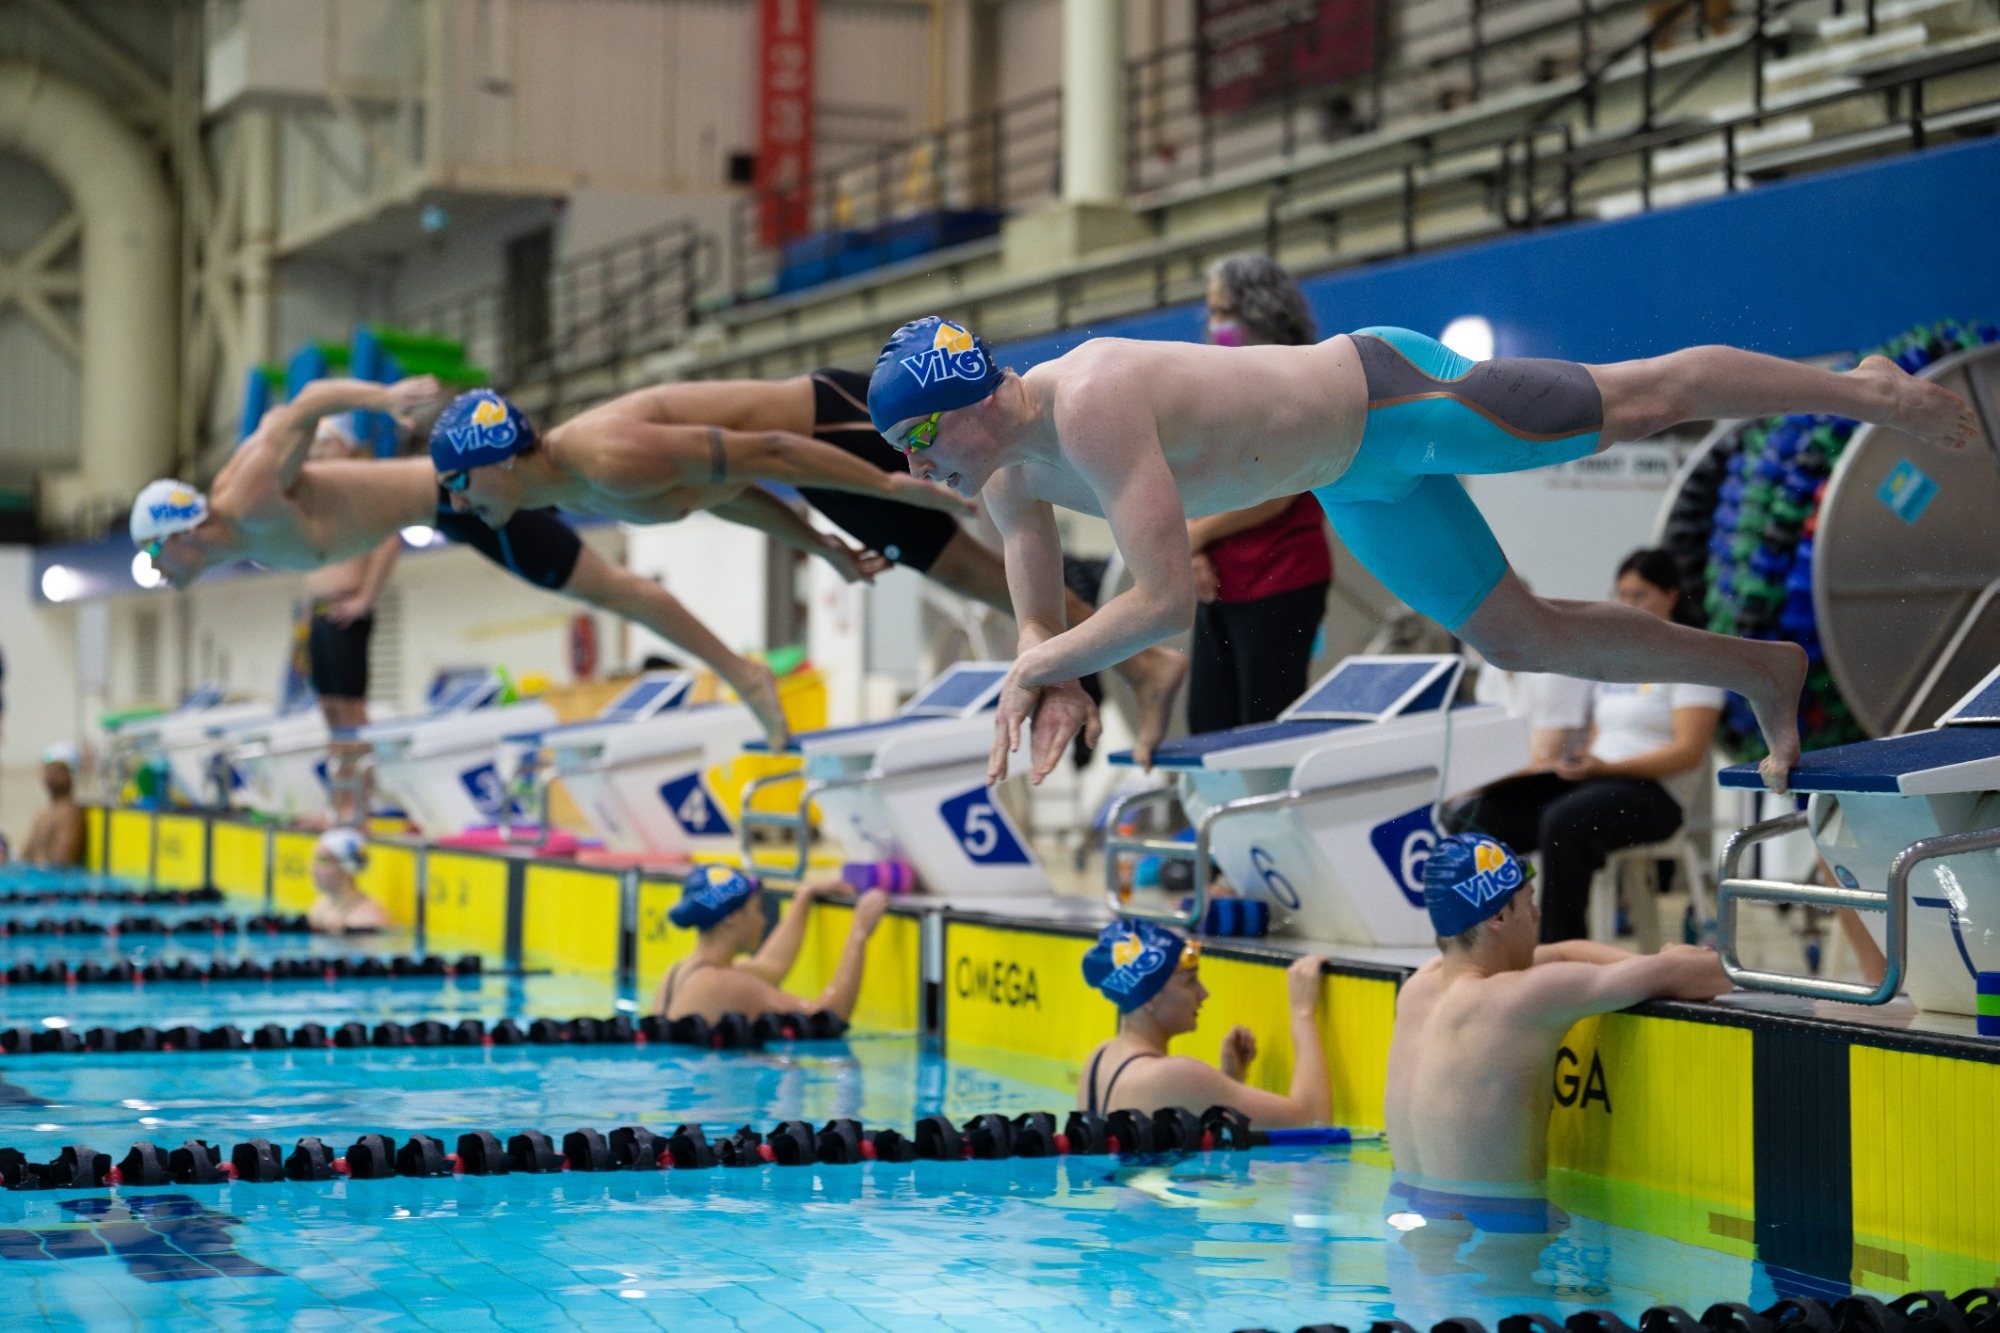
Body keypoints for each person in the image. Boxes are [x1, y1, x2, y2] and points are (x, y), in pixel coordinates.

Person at [864, 316, 1977, 790]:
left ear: (969, 404)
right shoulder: (1004, 474)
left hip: (1395, 397)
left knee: (1644, 399)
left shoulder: (1092, 399)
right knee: (1518, 633)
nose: (917, 475)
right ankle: (1752, 668)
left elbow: (1160, 604)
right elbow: (1039, 625)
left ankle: (1864, 391)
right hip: (1354, 479)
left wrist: (1039, 669)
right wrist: (1042, 670)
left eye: (916, 447)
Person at [429, 378, 1188, 765]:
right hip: (815, 469)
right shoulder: (583, 485)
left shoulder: (606, 458)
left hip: (834, 423)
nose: (456, 501)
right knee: (968, 574)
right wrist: (816, 541)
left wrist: (887, 482)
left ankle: (1154, 617)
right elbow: (731, 491)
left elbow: (772, 453)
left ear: (497, 460)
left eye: (459, 482)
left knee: (1002, 517)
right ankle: (1145, 662)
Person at [129, 376, 795, 748]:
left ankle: (747, 671)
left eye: (154, 561)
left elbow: (299, 406)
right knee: (643, 530)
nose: (157, 576)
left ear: (178, 536)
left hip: (467, 496)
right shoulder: (244, 539)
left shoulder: (246, 495)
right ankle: (752, 472)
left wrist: (381, 400)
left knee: (623, 577)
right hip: (456, 505)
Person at [1385, 834, 1729, 1198]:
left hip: (1411, 1218)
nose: (1537, 915)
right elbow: (1717, 974)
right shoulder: (1521, 999)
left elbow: (1563, 952)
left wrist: (1652, 963)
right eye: (1528, 902)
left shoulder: (1417, 989)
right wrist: (1670, 961)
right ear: (1499, 916)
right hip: (1498, 1231)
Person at [1457, 549, 1722, 942]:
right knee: (1480, 817)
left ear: (1671, 595)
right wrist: (1585, 763)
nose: (1628, 606)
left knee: (1565, 820)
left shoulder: (1695, 660)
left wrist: (1606, 768)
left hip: (1656, 796)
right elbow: (1601, 740)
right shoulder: (1616, 662)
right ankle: (1488, 941)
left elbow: (1688, 753)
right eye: (1622, 595)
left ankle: (1558, 949)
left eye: (1640, 595)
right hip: (1599, 780)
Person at [1186, 256, 1334, 733]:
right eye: (1210, 312)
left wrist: (1191, 538)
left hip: (1281, 577)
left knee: (1263, 729)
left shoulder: (1300, 377)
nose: (1213, 326)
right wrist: (1194, 547)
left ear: (1260, 309)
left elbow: (1276, 491)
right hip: (1220, 583)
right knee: (1208, 726)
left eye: (1223, 311)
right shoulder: (1218, 383)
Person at [1076, 920, 1332, 1127]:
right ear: (1150, 997)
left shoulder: (1099, 1059)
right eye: (1189, 982)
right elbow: (1314, 1123)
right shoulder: (1172, 1076)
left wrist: (1230, 1081)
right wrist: (1302, 1013)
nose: (1203, 993)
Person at [299, 416, 402, 824]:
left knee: (351, 713)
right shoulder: (318, 496)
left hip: (346, 614)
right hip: (321, 615)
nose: (320, 449)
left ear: (348, 447)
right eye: (317, 443)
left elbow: (390, 541)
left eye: (329, 442)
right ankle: (338, 804)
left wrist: (364, 599)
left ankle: (358, 804)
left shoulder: (358, 488)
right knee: (329, 711)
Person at [653, 865, 889, 1024]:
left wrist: (804, 896)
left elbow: (772, 965)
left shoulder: (679, 973)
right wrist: (859, 932)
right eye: (756, 910)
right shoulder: (724, 984)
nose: (762, 921)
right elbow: (829, 1017)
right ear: (730, 917)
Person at [307, 827, 390, 934]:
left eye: (323, 861)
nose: (313, 868)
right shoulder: (319, 908)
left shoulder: (370, 920)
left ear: (346, 867)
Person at [21, 744, 85, 868]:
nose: (49, 774)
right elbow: (24, 858)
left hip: (48, 883)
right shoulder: (43, 812)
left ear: (71, 774)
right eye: (47, 769)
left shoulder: (69, 812)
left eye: (56, 770)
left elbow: (60, 864)